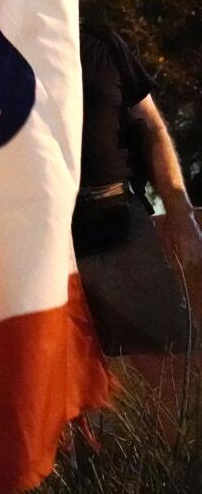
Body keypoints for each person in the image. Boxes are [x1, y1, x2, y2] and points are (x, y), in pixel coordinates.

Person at [73, 24, 201, 362]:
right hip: (39, 239)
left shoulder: (100, 41)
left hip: (119, 224)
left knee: (172, 368)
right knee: (60, 388)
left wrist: (179, 210)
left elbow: (152, 127)